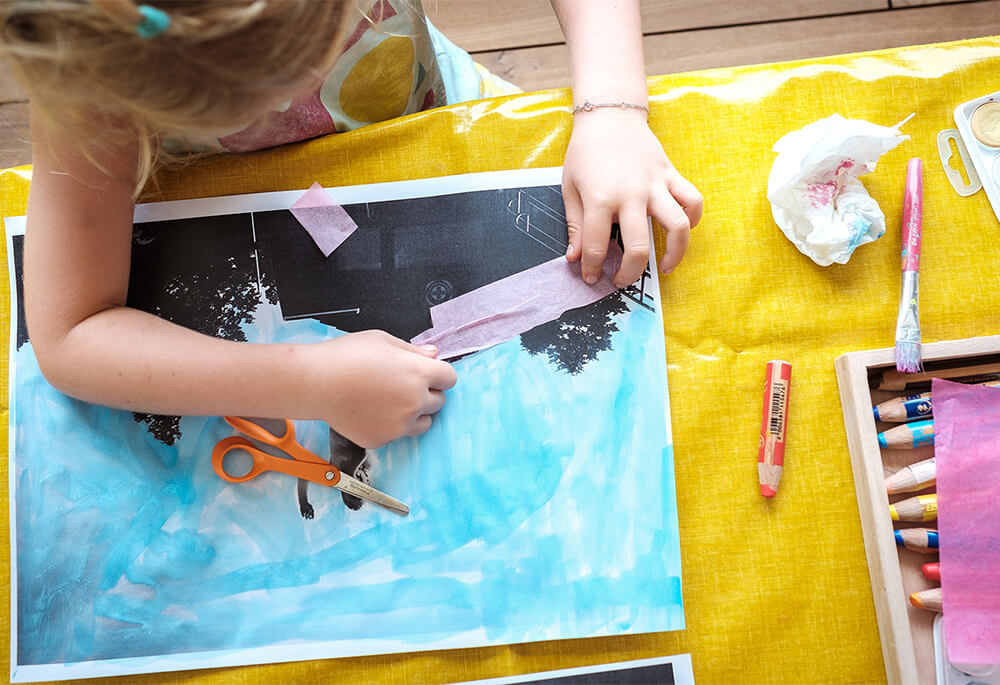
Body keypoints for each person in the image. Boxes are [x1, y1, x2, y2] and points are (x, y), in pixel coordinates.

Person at [0, 0, 703, 448]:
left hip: (440, 120)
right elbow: (66, 336)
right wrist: (303, 382)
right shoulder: (89, 68)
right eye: (242, 102)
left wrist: (611, 108)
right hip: (231, 214)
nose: (286, 96)